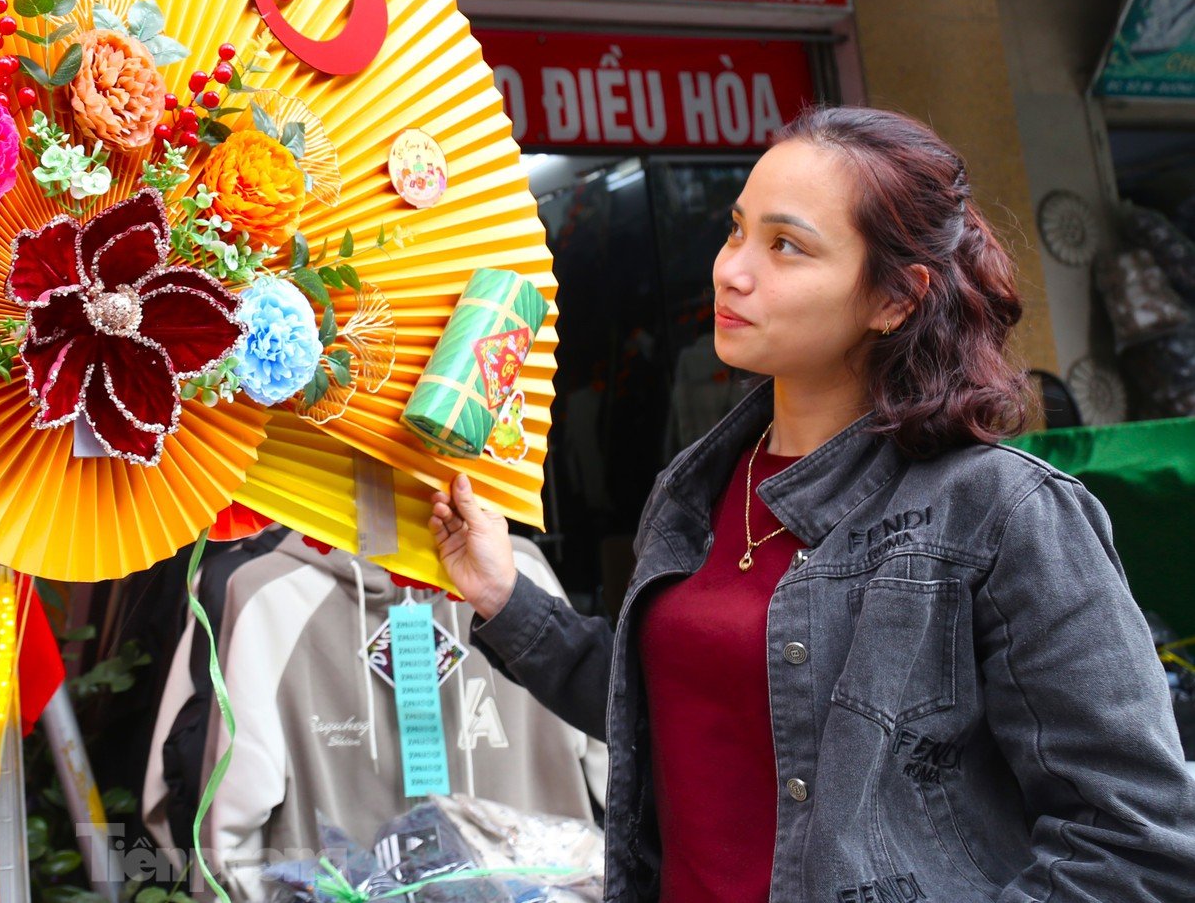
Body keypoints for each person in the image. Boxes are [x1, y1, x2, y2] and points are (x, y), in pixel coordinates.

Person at [430, 106, 1195, 902]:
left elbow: (1135, 838)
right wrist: (505, 596)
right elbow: (681, 716)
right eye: (736, 230)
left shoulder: (1002, 512)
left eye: (786, 245)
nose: (732, 269)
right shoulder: (696, 487)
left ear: (896, 298)